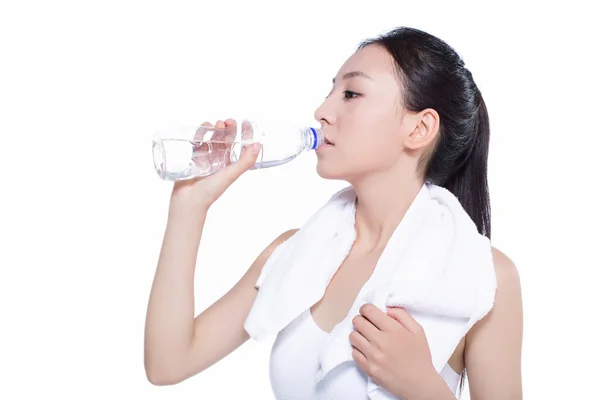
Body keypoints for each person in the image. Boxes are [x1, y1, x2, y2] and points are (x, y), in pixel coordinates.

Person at [144, 26, 523, 399]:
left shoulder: (482, 277)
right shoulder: (294, 251)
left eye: (352, 93)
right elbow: (168, 364)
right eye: (330, 93)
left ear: (419, 128)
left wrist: (424, 387)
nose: (322, 111)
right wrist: (189, 205)